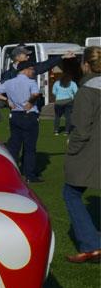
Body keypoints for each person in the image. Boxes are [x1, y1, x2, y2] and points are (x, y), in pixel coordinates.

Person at [64, 46, 100, 263]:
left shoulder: (87, 91)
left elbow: (82, 129)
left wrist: (72, 151)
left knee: (70, 193)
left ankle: (91, 244)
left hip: (90, 151)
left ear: (86, 65)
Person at [0, 61, 42, 182]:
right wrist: (30, 102)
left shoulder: (9, 82)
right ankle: (29, 175)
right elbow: (36, 94)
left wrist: (7, 99)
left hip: (15, 115)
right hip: (29, 115)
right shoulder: (31, 82)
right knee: (30, 147)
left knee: (14, 146)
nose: (33, 71)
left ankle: (13, 173)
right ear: (25, 70)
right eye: (31, 69)